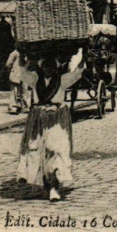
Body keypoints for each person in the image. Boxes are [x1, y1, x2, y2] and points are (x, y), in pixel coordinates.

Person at [17, 51, 86, 201]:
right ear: (42, 68)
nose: (49, 69)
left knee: (55, 150)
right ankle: (46, 184)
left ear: (56, 68)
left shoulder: (61, 80)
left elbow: (77, 73)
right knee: (37, 150)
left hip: (56, 120)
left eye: (51, 66)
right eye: (46, 66)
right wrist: (22, 56)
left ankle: (55, 187)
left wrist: (84, 56)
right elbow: (23, 73)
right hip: (38, 120)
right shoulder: (35, 80)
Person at [6, 48, 28, 114]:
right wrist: (13, 70)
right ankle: (13, 107)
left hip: (24, 75)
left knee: (24, 91)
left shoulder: (26, 54)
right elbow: (8, 64)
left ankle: (24, 107)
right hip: (16, 74)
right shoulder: (14, 53)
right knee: (14, 92)